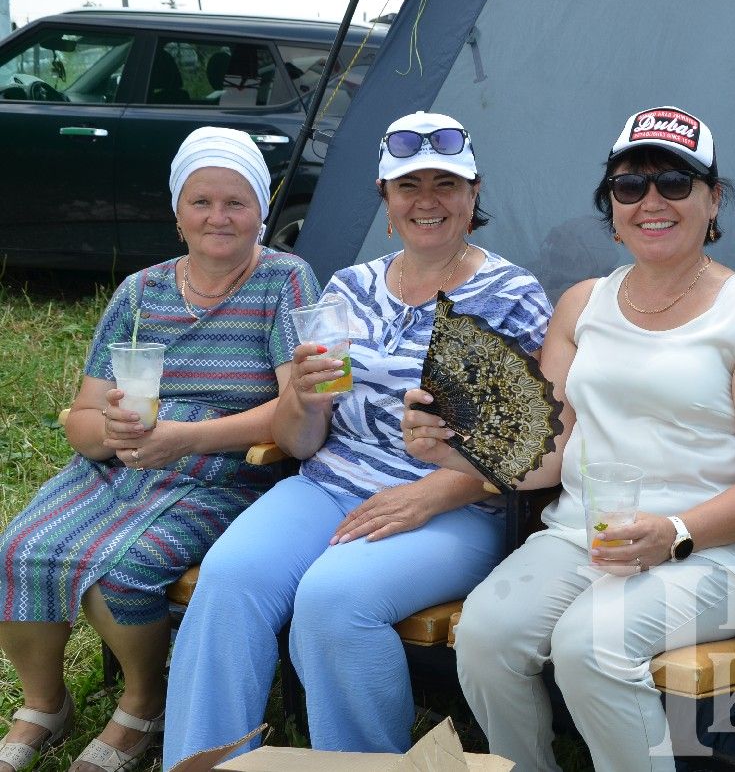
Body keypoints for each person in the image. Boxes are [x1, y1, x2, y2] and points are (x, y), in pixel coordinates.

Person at [403, 105, 735, 772]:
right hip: (585, 535)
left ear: (712, 201)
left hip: (716, 553)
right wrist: (450, 447)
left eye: (675, 182)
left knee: (592, 644)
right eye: (630, 186)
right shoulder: (583, 303)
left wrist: (676, 529)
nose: (652, 200)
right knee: (484, 633)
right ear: (612, 210)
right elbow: (548, 452)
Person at [162, 110, 553, 766]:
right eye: (409, 186)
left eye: (445, 185)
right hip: (329, 484)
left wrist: (433, 492)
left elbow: (529, 446)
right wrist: (304, 401)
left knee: (333, 599)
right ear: (385, 197)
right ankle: (208, 761)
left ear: (473, 193)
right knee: (228, 581)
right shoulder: (351, 287)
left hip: (457, 503)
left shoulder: (510, 296)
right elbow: (305, 438)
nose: (427, 201)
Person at [0, 127, 320, 772]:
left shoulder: (285, 281)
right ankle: (44, 704)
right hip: (122, 467)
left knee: (127, 570)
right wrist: (109, 432)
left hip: (226, 472)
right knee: (19, 550)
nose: (218, 217)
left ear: (262, 210)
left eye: (236, 202)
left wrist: (186, 438)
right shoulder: (140, 294)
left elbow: (296, 410)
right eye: (201, 202)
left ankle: (144, 703)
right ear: (177, 214)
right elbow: (84, 416)